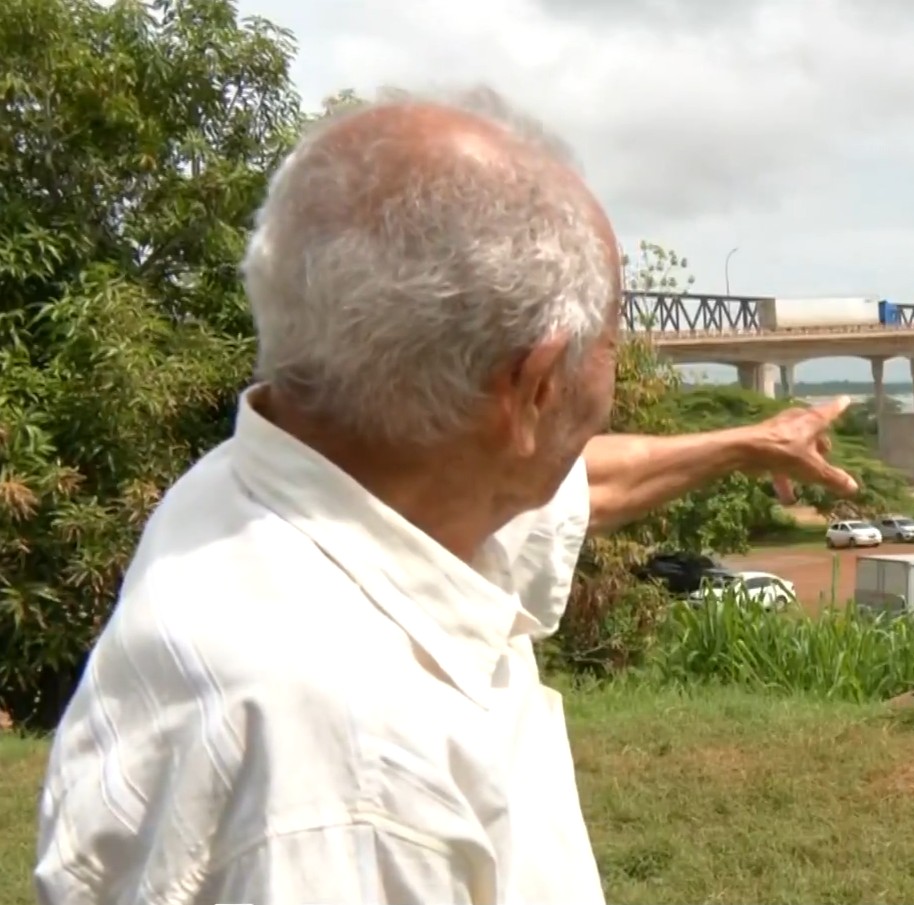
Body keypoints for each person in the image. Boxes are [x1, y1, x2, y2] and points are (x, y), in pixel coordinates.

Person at [34, 87, 857, 905]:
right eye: (611, 337)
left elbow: (565, 486)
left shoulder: (277, 487)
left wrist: (748, 443)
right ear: (533, 387)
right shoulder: (352, 780)